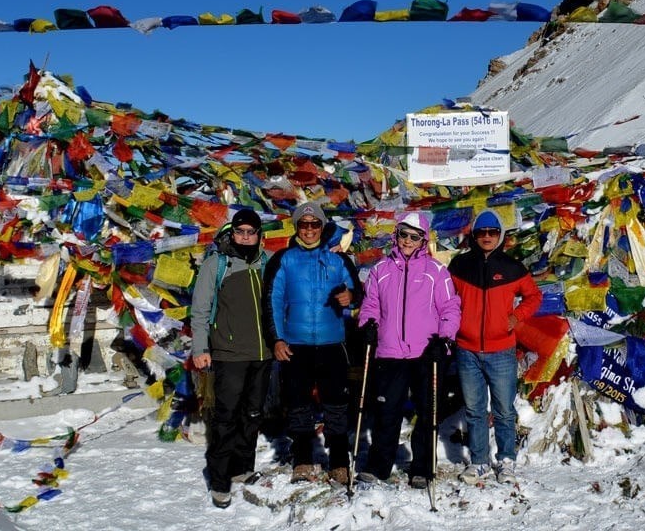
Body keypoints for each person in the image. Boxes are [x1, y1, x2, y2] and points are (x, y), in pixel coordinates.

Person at [356, 212, 462, 489]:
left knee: (427, 413)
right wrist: (368, 324)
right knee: (386, 411)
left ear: (423, 240)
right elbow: (371, 306)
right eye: (403, 234)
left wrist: (445, 338)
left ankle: (421, 468)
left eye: (414, 236)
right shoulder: (380, 270)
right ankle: (379, 466)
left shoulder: (436, 272)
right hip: (389, 353)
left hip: (426, 353)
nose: (407, 241)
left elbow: (450, 308)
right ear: (396, 235)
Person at [261, 202, 363, 485]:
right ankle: (303, 460)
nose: (309, 230)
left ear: (321, 227)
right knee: (298, 406)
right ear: (297, 227)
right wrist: (277, 339)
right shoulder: (283, 259)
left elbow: (358, 291)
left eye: (314, 224)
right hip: (296, 344)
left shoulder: (337, 260)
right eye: (304, 225)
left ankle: (340, 462)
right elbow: (271, 301)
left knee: (336, 405)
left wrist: (350, 297)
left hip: (332, 344)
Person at [190, 209, 274, 509]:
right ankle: (220, 479)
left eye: (252, 232)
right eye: (241, 232)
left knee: (252, 414)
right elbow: (200, 310)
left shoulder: (266, 263)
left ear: (259, 235)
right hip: (229, 353)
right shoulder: (218, 264)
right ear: (232, 232)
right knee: (226, 417)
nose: (246, 237)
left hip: (263, 352)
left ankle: (242, 467)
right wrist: (200, 348)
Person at [449, 210, 540, 485]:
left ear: (500, 235)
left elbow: (534, 296)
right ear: (474, 236)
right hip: (467, 350)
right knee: (475, 410)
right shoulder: (459, 265)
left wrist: (516, 317)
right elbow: (446, 299)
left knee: (503, 409)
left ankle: (506, 460)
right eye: (481, 233)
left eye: (492, 232)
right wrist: (453, 324)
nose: (487, 237)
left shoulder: (512, 267)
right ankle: (479, 463)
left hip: (502, 351)